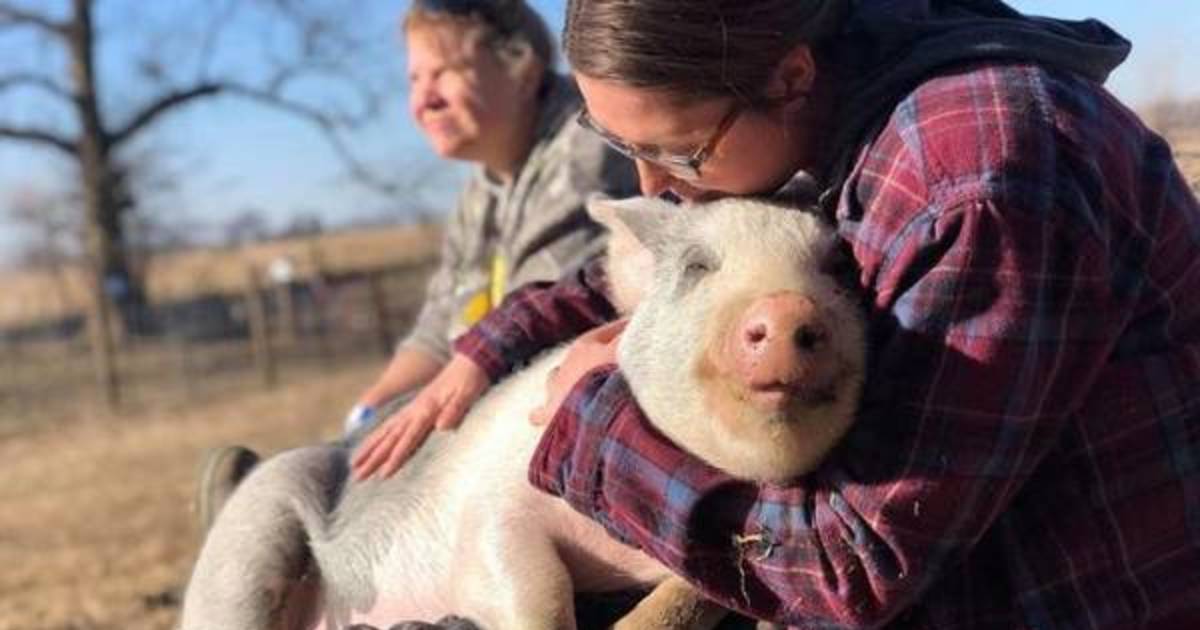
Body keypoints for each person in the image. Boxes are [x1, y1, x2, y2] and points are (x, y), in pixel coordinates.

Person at [352, 1, 1200, 628]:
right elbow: (660, 247)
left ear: (791, 76)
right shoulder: (835, 119)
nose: (651, 186)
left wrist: (594, 422)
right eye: (626, 150)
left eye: (674, 150)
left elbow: (854, 566)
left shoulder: (975, 170)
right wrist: (480, 351)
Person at [197, 0, 638, 529]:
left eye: (444, 73)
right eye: (413, 79)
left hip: (561, 416)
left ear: (521, 68)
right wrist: (367, 414)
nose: (423, 99)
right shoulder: (487, 183)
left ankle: (283, 527)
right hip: (495, 399)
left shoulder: (583, 155)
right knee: (382, 438)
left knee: (405, 481)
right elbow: (437, 331)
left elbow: (531, 329)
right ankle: (291, 511)